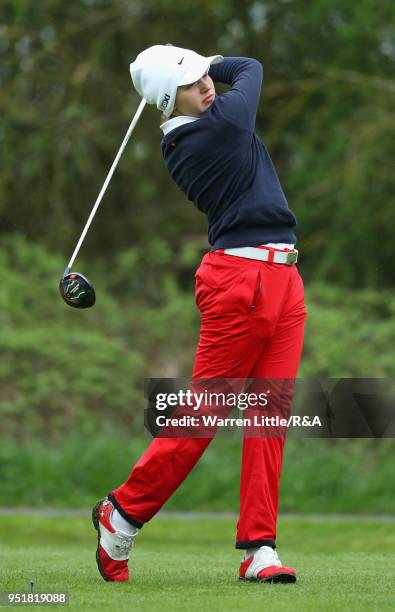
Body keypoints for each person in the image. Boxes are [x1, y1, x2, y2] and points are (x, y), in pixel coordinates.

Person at [92, 44, 307, 584]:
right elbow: (252, 68)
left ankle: (259, 548)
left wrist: (196, 65)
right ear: (172, 101)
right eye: (192, 83)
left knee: (269, 418)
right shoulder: (218, 129)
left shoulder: (196, 129)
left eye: (205, 76)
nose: (207, 84)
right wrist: (214, 56)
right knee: (203, 416)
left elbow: (224, 83)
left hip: (283, 280)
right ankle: (121, 513)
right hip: (243, 284)